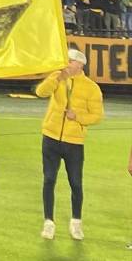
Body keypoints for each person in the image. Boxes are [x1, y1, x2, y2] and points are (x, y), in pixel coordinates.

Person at [35, 47, 104, 241]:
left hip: (74, 142)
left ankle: (76, 222)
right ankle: (48, 222)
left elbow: (97, 115)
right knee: (49, 180)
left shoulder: (91, 87)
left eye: (70, 61)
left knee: (75, 183)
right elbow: (41, 92)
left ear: (79, 65)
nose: (66, 64)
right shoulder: (57, 78)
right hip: (51, 137)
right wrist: (57, 78)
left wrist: (77, 117)